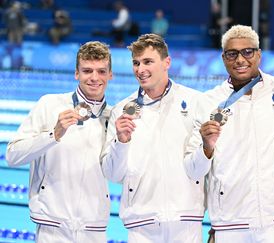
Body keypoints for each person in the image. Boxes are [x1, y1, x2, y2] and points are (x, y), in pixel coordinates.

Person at [184, 25, 274, 242]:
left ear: (259, 54)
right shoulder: (208, 102)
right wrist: (206, 147)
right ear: (223, 58)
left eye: (247, 52)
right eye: (232, 54)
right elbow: (193, 171)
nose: (240, 59)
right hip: (230, 224)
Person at [6, 41, 113, 242]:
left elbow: (118, 174)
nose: (94, 78)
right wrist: (53, 135)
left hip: (94, 228)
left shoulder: (114, 117)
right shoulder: (49, 104)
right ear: (76, 73)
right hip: (52, 227)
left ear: (110, 75)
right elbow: (12, 156)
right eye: (87, 71)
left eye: (101, 71)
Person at [101, 33, 203, 243]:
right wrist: (121, 141)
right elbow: (112, 174)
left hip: (186, 222)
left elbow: (205, 165)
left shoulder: (195, 102)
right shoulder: (122, 110)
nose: (140, 69)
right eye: (136, 63)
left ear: (167, 62)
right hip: (141, 225)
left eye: (148, 61)